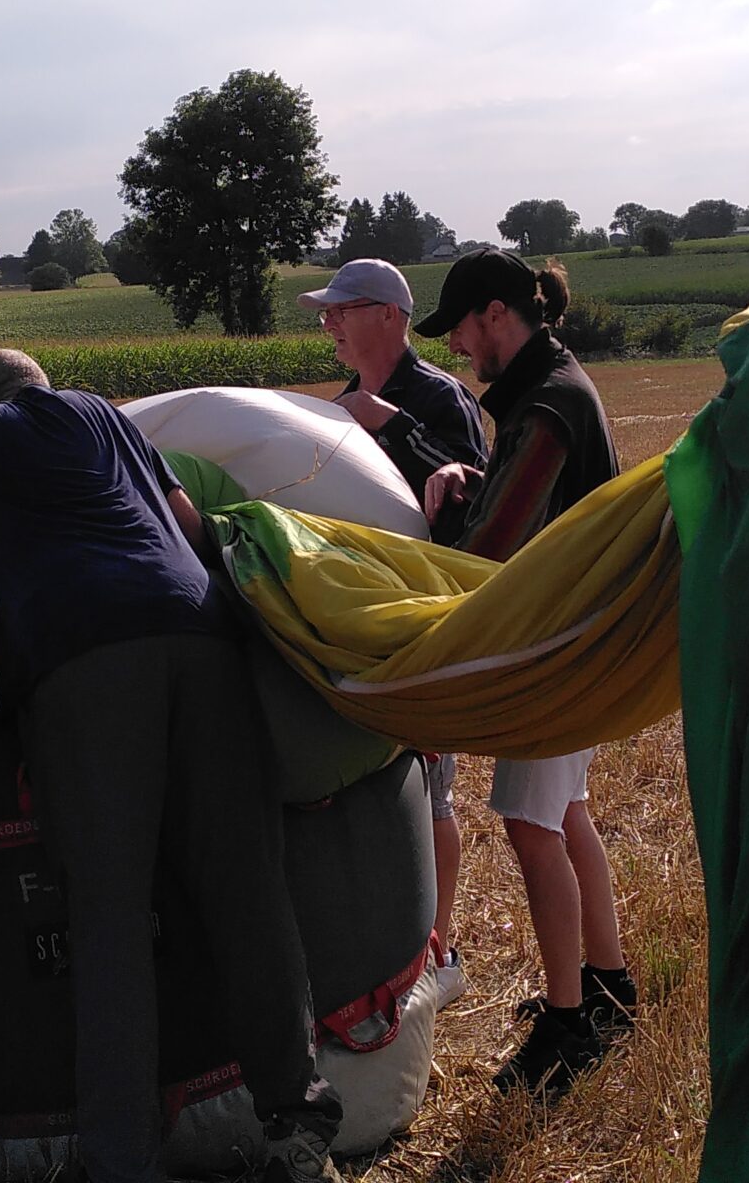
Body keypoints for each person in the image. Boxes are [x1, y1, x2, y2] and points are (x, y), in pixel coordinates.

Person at [0, 349, 344, 1183]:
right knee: (247, 885)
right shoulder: (106, 415)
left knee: (107, 914)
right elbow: (184, 524)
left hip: (84, 666)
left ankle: (119, 1157)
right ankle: (296, 1119)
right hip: (200, 641)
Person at [413, 250, 638, 1098]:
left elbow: (494, 552)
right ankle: (610, 986)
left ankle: (568, 1023)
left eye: (463, 330)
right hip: (582, 640)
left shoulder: (546, 406)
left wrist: (442, 524)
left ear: (498, 314)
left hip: (558, 651)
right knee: (565, 813)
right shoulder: (555, 389)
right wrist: (473, 479)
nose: (462, 349)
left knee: (528, 824)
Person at [302, 257, 488, 1004]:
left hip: (421, 614)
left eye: (341, 310)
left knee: (432, 787)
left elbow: (472, 499)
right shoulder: (342, 402)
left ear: (387, 315)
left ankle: (439, 951)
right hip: (357, 618)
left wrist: (395, 428)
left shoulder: (436, 399)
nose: (328, 323)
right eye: (326, 312)